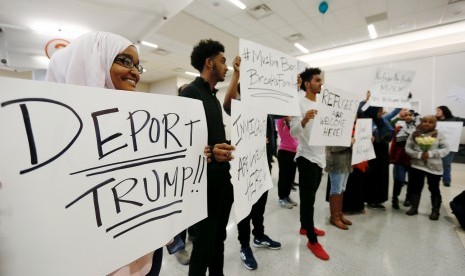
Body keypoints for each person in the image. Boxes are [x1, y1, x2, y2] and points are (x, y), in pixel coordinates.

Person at [45, 31, 163, 276]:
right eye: (125, 61)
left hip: (143, 250)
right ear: (92, 62)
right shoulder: (46, 137)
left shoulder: (136, 121)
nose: (136, 72)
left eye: (138, 65)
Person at [179, 39, 235, 276]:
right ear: (209, 63)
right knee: (202, 247)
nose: (226, 66)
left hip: (222, 182)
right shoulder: (190, 93)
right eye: (223, 61)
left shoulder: (213, 97)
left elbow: (210, 138)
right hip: (203, 188)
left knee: (219, 240)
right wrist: (213, 151)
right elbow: (181, 143)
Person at [223, 56, 281, 271]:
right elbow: (227, 105)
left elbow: (285, 110)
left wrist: (291, 87)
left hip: (263, 165)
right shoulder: (242, 106)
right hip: (244, 167)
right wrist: (237, 73)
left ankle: (259, 235)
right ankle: (245, 245)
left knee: (260, 205)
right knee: (245, 208)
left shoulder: (265, 110)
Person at [290, 67, 328, 261]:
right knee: (308, 201)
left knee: (311, 196)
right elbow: (293, 132)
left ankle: (306, 226)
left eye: (321, 80)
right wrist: (304, 119)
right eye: (316, 80)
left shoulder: (323, 104)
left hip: (320, 158)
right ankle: (312, 240)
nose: (320, 83)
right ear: (307, 84)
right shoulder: (298, 103)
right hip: (306, 159)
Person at [405, 115, 449, 220]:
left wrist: (431, 154)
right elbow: (407, 148)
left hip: (434, 167)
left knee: (434, 188)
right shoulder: (414, 134)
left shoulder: (439, 134)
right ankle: (414, 208)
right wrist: (419, 155)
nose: (426, 124)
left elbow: (446, 149)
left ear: (435, 124)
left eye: (430, 122)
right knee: (416, 187)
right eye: (424, 121)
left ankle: (435, 211)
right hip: (417, 165)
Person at [360, 105, 400, 209]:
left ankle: (379, 199)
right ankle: (370, 200)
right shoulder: (367, 121)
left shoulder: (384, 119)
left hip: (383, 152)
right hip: (372, 152)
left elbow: (394, 112)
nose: (381, 113)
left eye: (381, 111)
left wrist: (404, 100)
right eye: (379, 111)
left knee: (382, 175)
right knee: (372, 176)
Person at [389, 109, 420, 209]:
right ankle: (395, 198)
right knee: (399, 180)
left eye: (410, 115)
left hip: (413, 159)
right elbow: (394, 143)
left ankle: (408, 199)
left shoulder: (418, 129)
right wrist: (391, 157)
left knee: (412, 181)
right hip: (400, 158)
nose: (408, 117)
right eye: (406, 115)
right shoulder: (399, 128)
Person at [435, 105, 465, 187]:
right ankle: (436, 178)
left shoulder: (455, 120)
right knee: (436, 163)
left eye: (438, 110)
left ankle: (446, 180)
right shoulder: (434, 120)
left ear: (444, 111)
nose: (436, 112)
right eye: (436, 111)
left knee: (446, 164)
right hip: (436, 145)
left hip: (450, 145)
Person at [276, 116, 298, 209]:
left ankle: (287, 196)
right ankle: (281, 198)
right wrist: (286, 117)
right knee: (283, 177)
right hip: (284, 152)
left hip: (294, 153)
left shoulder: (292, 123)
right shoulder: (281, 121)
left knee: (290, 177)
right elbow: (280, 117)